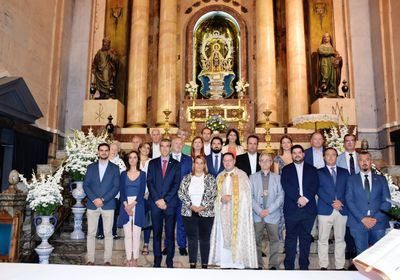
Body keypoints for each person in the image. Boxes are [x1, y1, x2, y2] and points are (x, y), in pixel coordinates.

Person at [209, 153, 258, 269]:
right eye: (225, 161)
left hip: (238, 215)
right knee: (223, 237)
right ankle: (224, 261)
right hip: (222, 213)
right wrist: (221, 198)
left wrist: (232, 197)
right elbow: (214, 195)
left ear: (234, 161)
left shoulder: (241, 175)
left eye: (229, 160)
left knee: (237, 235)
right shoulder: (220, 176)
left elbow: (246, 195)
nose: (227, 163)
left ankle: (238, 262)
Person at [281, 145, 319, 270]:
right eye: (294, 153)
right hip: (292, 209)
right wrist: (298, 198)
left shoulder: (312, 169)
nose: (297, 154)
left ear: (303, 154)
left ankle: (304, 267)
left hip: (308, 210)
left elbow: (315, 185)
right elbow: (286, 186)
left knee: (305, 238)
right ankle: (289, 267)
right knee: (290, 238)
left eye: (299, 152)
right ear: (291, 155)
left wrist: (306, 198)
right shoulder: (286, 169)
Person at [345, 151, 391, 255]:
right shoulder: (351, 179)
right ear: (358, 162)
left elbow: (387, 201)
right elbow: (349, 201)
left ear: (371, 161)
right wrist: (363, 218)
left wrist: (375, 219)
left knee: (379, 254)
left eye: (367, 159)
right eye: (361, 160)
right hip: (358, 223)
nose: (364, 162)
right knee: (361, 255)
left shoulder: (381, 179)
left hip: (378, 223)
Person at [83, 143, 120, 265]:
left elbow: (116, 187)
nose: (104, 152)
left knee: (108, 233)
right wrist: (95, 199)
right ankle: (90, 259)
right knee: (91, 233)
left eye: (106, 150)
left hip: (108, 204)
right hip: (92, 204)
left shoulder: (114, 168)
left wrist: (103, 199)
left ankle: (107, 260)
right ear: (98, 152)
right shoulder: (90, 167)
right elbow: (86, 185)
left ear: (109, 152)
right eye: (101, 150)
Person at [147, 138, 181, 268]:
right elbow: (149, 182)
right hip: (156, 204)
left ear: (170, 147)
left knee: (170, 234)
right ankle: (157, 260)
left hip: (170, 204)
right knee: (156, 233)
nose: (165, 148)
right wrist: (157, 199)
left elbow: (176, 184)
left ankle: (169, 261)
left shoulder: (176, 164)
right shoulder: (152, 163)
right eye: (163, 146)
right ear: (159, 148)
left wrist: (165, 200)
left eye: (167, 146)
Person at [178, 155, 217, 269]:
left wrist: (202, 207)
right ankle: (193, 264)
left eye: (201, 163)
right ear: (193, 164)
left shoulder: (210, 178)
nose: (199, 165)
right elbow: (181, 192)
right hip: (189, 212)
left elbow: (213, 194)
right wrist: (191, 205)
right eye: (197, 163)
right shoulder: (187, 178)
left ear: (204, 165)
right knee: (192, 238)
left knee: (205, 239)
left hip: (206, 213)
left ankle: (204, 265)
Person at [250, 152, 284, 270]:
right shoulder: (252, 177)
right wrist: (259, 210)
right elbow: (250, 196)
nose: (265, 162)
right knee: (256, 240)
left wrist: (269, 210)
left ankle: (273, 264)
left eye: (267, 160)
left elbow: (281, 196)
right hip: (257, 215)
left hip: (272, 214)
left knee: (274, 240)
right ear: (259, 163)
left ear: (271, 163)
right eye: (262, 160)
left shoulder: (278, 178)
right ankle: (258, 264)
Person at [317, 147, 349, 270]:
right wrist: (332, 202)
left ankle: (340, 266)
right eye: (328, 155)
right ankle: (323, 265)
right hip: (325, 210)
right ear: (324, 157)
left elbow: (348, 190)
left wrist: (341, 202)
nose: (330, 157)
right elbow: (318, 189)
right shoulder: (319, 172)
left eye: (333, 155)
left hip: (341, 209)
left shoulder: (344, 172)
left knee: (340, 239)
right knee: (323, 239)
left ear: (337, 157)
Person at [118, 151, 146, 267]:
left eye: (135, 157)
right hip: (125, 204)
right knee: (127, 234)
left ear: (137, 160)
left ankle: (135, 258)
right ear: (128, 160)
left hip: (137, 204)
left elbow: (142, 192)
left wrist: (132, 205)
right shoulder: (123, 174)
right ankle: (128, 258)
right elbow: (122, 191)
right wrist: (126, 205)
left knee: (136, 232)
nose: (133, 159)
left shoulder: (143, 174)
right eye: (130, 158)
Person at [97, 142, 126, 240]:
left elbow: (122, 179)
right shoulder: (102, 161)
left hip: (115, 194)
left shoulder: (120, 163)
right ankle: (101, 232)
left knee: (113, 214)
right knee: (101, 213)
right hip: (101, 193)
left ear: (118, 150)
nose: (113, 151)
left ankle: (113, 232)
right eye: (112, 149)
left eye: (115, 149)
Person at [337, 133, 359, 260]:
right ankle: (350, 249)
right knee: (346, 223)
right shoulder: (338, 158)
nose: (350, 143)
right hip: (344, 195)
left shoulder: (361, 157)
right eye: (347, 141)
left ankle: (359, 248)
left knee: (358, 221)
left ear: (355, 142)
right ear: (344, 143)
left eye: (352, 140)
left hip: (359, 195)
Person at [170, 137, 193, 256]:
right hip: (169, 196)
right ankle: (168, 245)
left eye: (180, 144)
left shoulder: (188, 160)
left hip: (184, 196)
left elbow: (191, 177)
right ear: (172, 145)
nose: (178, 145)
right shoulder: (166, 158)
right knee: (169, 222)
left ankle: (182, 245)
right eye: (176, 143)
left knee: (182, 222)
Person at [138, 142, 152, 255]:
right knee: (135, 220)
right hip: (134, 196)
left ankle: (146, 244)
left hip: (148, 195)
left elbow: (154, 179)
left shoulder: (152, 162)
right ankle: (134, 242)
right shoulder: (134, 160)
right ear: (139, 149)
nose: (146, 150)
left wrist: (148, 192)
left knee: (147, 220)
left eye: (148, 148)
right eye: (144, 147)